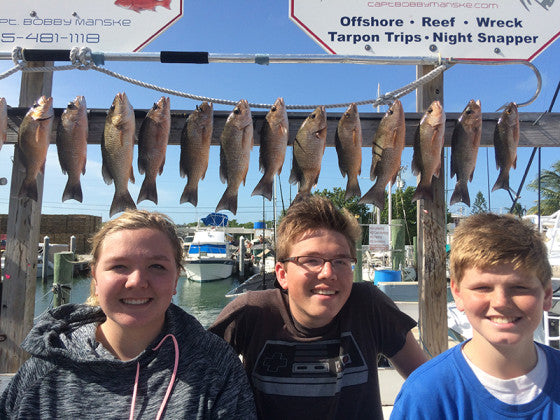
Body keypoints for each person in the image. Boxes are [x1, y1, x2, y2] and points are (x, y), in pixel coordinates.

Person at [0, 210, 256, 419]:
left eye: (157, 266)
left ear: (176, 278)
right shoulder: (46, 370)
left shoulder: (216, 368)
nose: (136, 281)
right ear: (95, 277)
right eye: (119, 266)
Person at [209, 195, 427, 419]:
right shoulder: (252, 313)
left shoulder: (369, 306)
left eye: (341, 261)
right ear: (282, 275)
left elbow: (428, 382)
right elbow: (193, 375)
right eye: (311, 260)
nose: (328, 273)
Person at [391, 213, 560, 419]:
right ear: (458, 294)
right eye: (482, 287)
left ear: (547, 295)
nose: (500, 302)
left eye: (519, 287)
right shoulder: (426, 394)